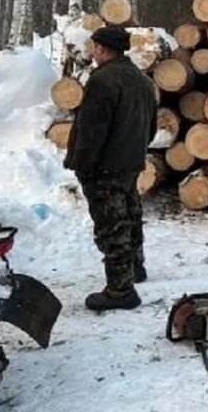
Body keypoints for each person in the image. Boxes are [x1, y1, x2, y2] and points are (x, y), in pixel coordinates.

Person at [64, 27, 157, 311]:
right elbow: (151, 127)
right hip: (130, 161)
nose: (92, 52)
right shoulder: (141, 79)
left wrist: (83, 164)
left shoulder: (103, 80)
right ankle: (134, 268)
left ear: (102, 49)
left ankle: (120, 290)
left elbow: (92, 130)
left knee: (111, 225)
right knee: (130, 214)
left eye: (94, 47)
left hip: (105, 166)